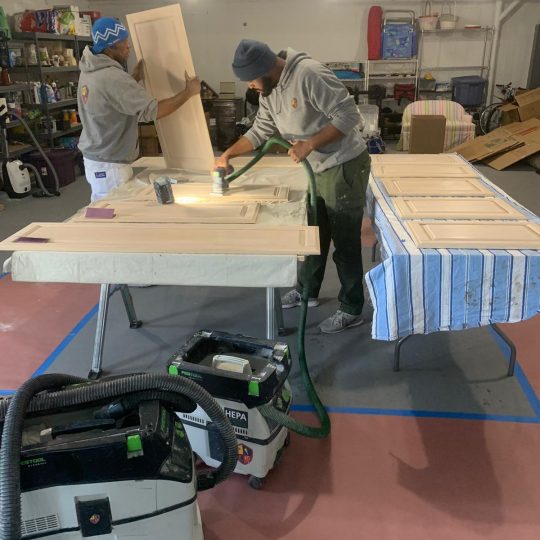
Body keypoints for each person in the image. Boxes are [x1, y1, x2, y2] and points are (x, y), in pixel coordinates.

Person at [215, 39, 371, 334]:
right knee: (313, 233)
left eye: (250, 79)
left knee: (345, 240)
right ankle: (308, 290)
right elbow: (260, 130)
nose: (249, 85)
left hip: (343, 164)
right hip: (317, 167)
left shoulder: (309, 75)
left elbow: (350, 116)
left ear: (265, 69)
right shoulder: (269, 91)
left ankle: (351, 307)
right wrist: (226, 155)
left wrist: (308, 144)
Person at [78, 17, 201, 202]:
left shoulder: (89, 69)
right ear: (110, 47)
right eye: (124, 42)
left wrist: (134, 78)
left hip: (97, 159)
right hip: (110, 165)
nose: (129, 46)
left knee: (105, 208)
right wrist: (188, 92)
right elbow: (154, 111)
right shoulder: (114, 77)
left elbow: (113, 98)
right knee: (117, 215)